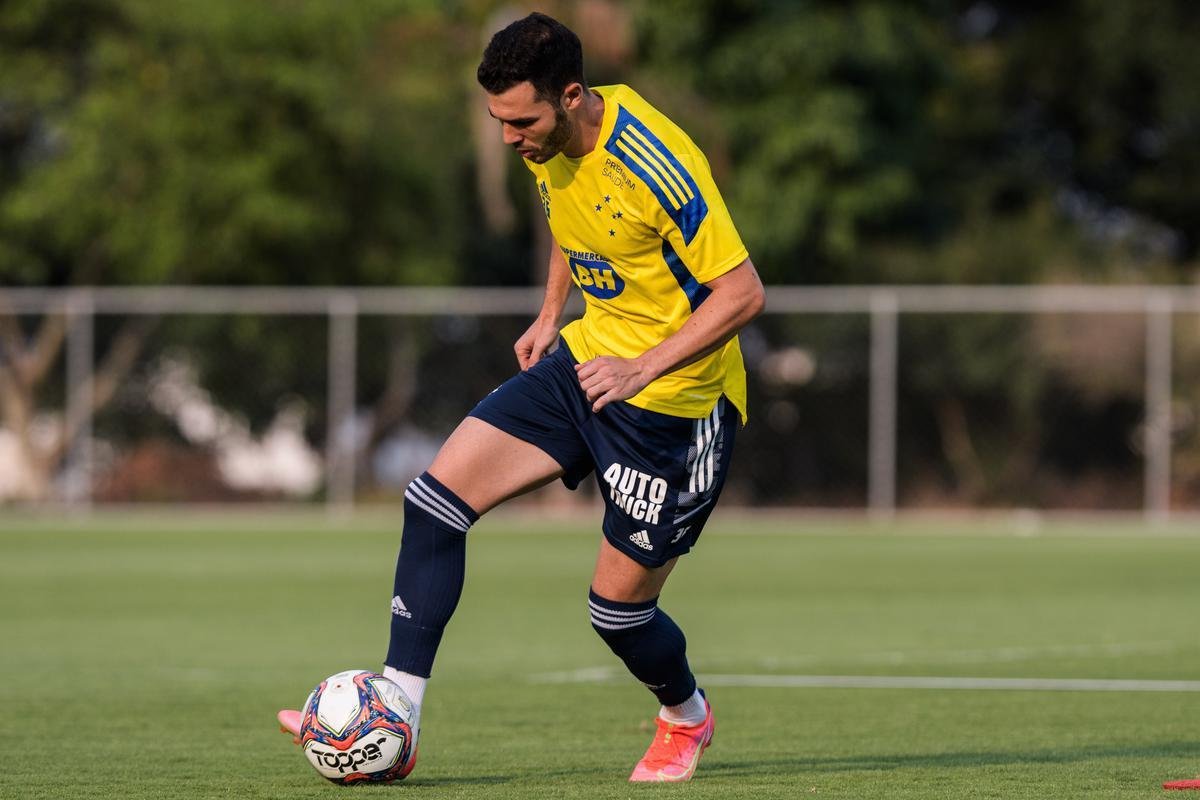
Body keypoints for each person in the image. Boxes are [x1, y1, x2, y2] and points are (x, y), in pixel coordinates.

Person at [279, 11, 764, 783]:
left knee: (618, 616)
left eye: (522, 120)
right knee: (433, 502)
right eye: (499, 121)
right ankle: (396, 716)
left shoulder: (657, 162)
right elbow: (571, 228)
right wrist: (551, 314)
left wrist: (641, 368)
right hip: (582, 367)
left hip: (676, 414)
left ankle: (686, 714)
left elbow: (742, 292)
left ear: (572, 96)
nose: (510, 138)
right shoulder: (547, 140)